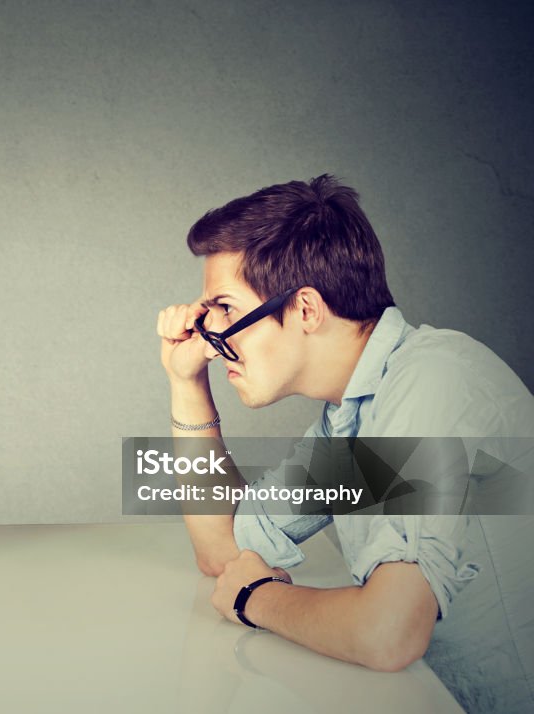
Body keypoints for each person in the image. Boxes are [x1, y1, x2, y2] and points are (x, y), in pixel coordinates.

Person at [155, 176, 533, 713]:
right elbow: (225, 552)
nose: (212, 341)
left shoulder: (431, 381)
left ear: (306, 309)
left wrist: (256, 598)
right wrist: (186, 383)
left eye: (226, 312)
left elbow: (389, 634)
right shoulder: (351, 413)